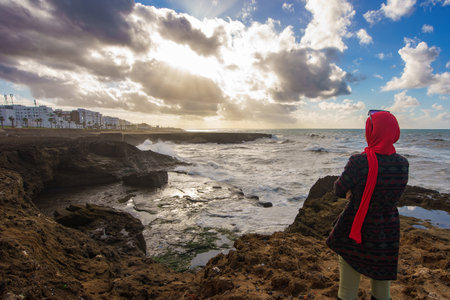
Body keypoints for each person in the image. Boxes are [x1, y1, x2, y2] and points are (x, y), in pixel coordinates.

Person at [326, 110, 409, 300]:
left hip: (356, 228)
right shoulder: (403, 164)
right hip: (386, 230)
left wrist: (353, 193)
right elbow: (392, 194)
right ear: (394, 132)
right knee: (381, 289)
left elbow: (339, 189)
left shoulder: (358, 162)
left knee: (347, 290)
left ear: (370, 131)